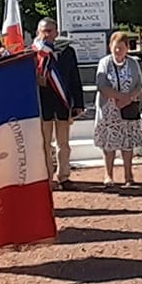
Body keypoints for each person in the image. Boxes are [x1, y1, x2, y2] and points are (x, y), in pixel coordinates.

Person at [31, 18, 85, 188]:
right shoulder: (32, 53)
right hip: (43, 104)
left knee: (64, 144)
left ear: (57, 32)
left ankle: (64, 176)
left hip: (63, 103)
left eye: (50, 30)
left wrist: (78, 104)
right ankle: (48, 179)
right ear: (38, 32)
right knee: (44, 144)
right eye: (43, 31)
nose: (47, 34)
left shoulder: (67, 52)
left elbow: (75, 78)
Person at [92, 31, 142, 187]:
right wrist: (119, 98)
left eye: (121, 47)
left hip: (127, 110)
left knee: (127, 143)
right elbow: (101, 85)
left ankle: (129, 175)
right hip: (109, 110)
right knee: (109, 144)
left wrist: (128, 99)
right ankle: (108, 175)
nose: (117, 51)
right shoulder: (104, 63)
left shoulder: (133, 63)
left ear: (127, 48)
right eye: (115, 47)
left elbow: (139, 85)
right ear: (110, 47)